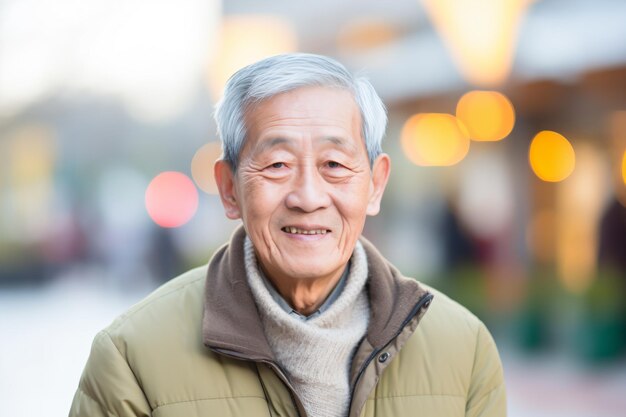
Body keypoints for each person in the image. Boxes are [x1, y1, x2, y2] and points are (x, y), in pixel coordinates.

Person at [69, 53, 506, 417]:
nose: (308, 196)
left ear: (374, 185)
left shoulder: (463, 351)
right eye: (277, 165)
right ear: (229, 188)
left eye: (334, 165)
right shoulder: (133, 359)